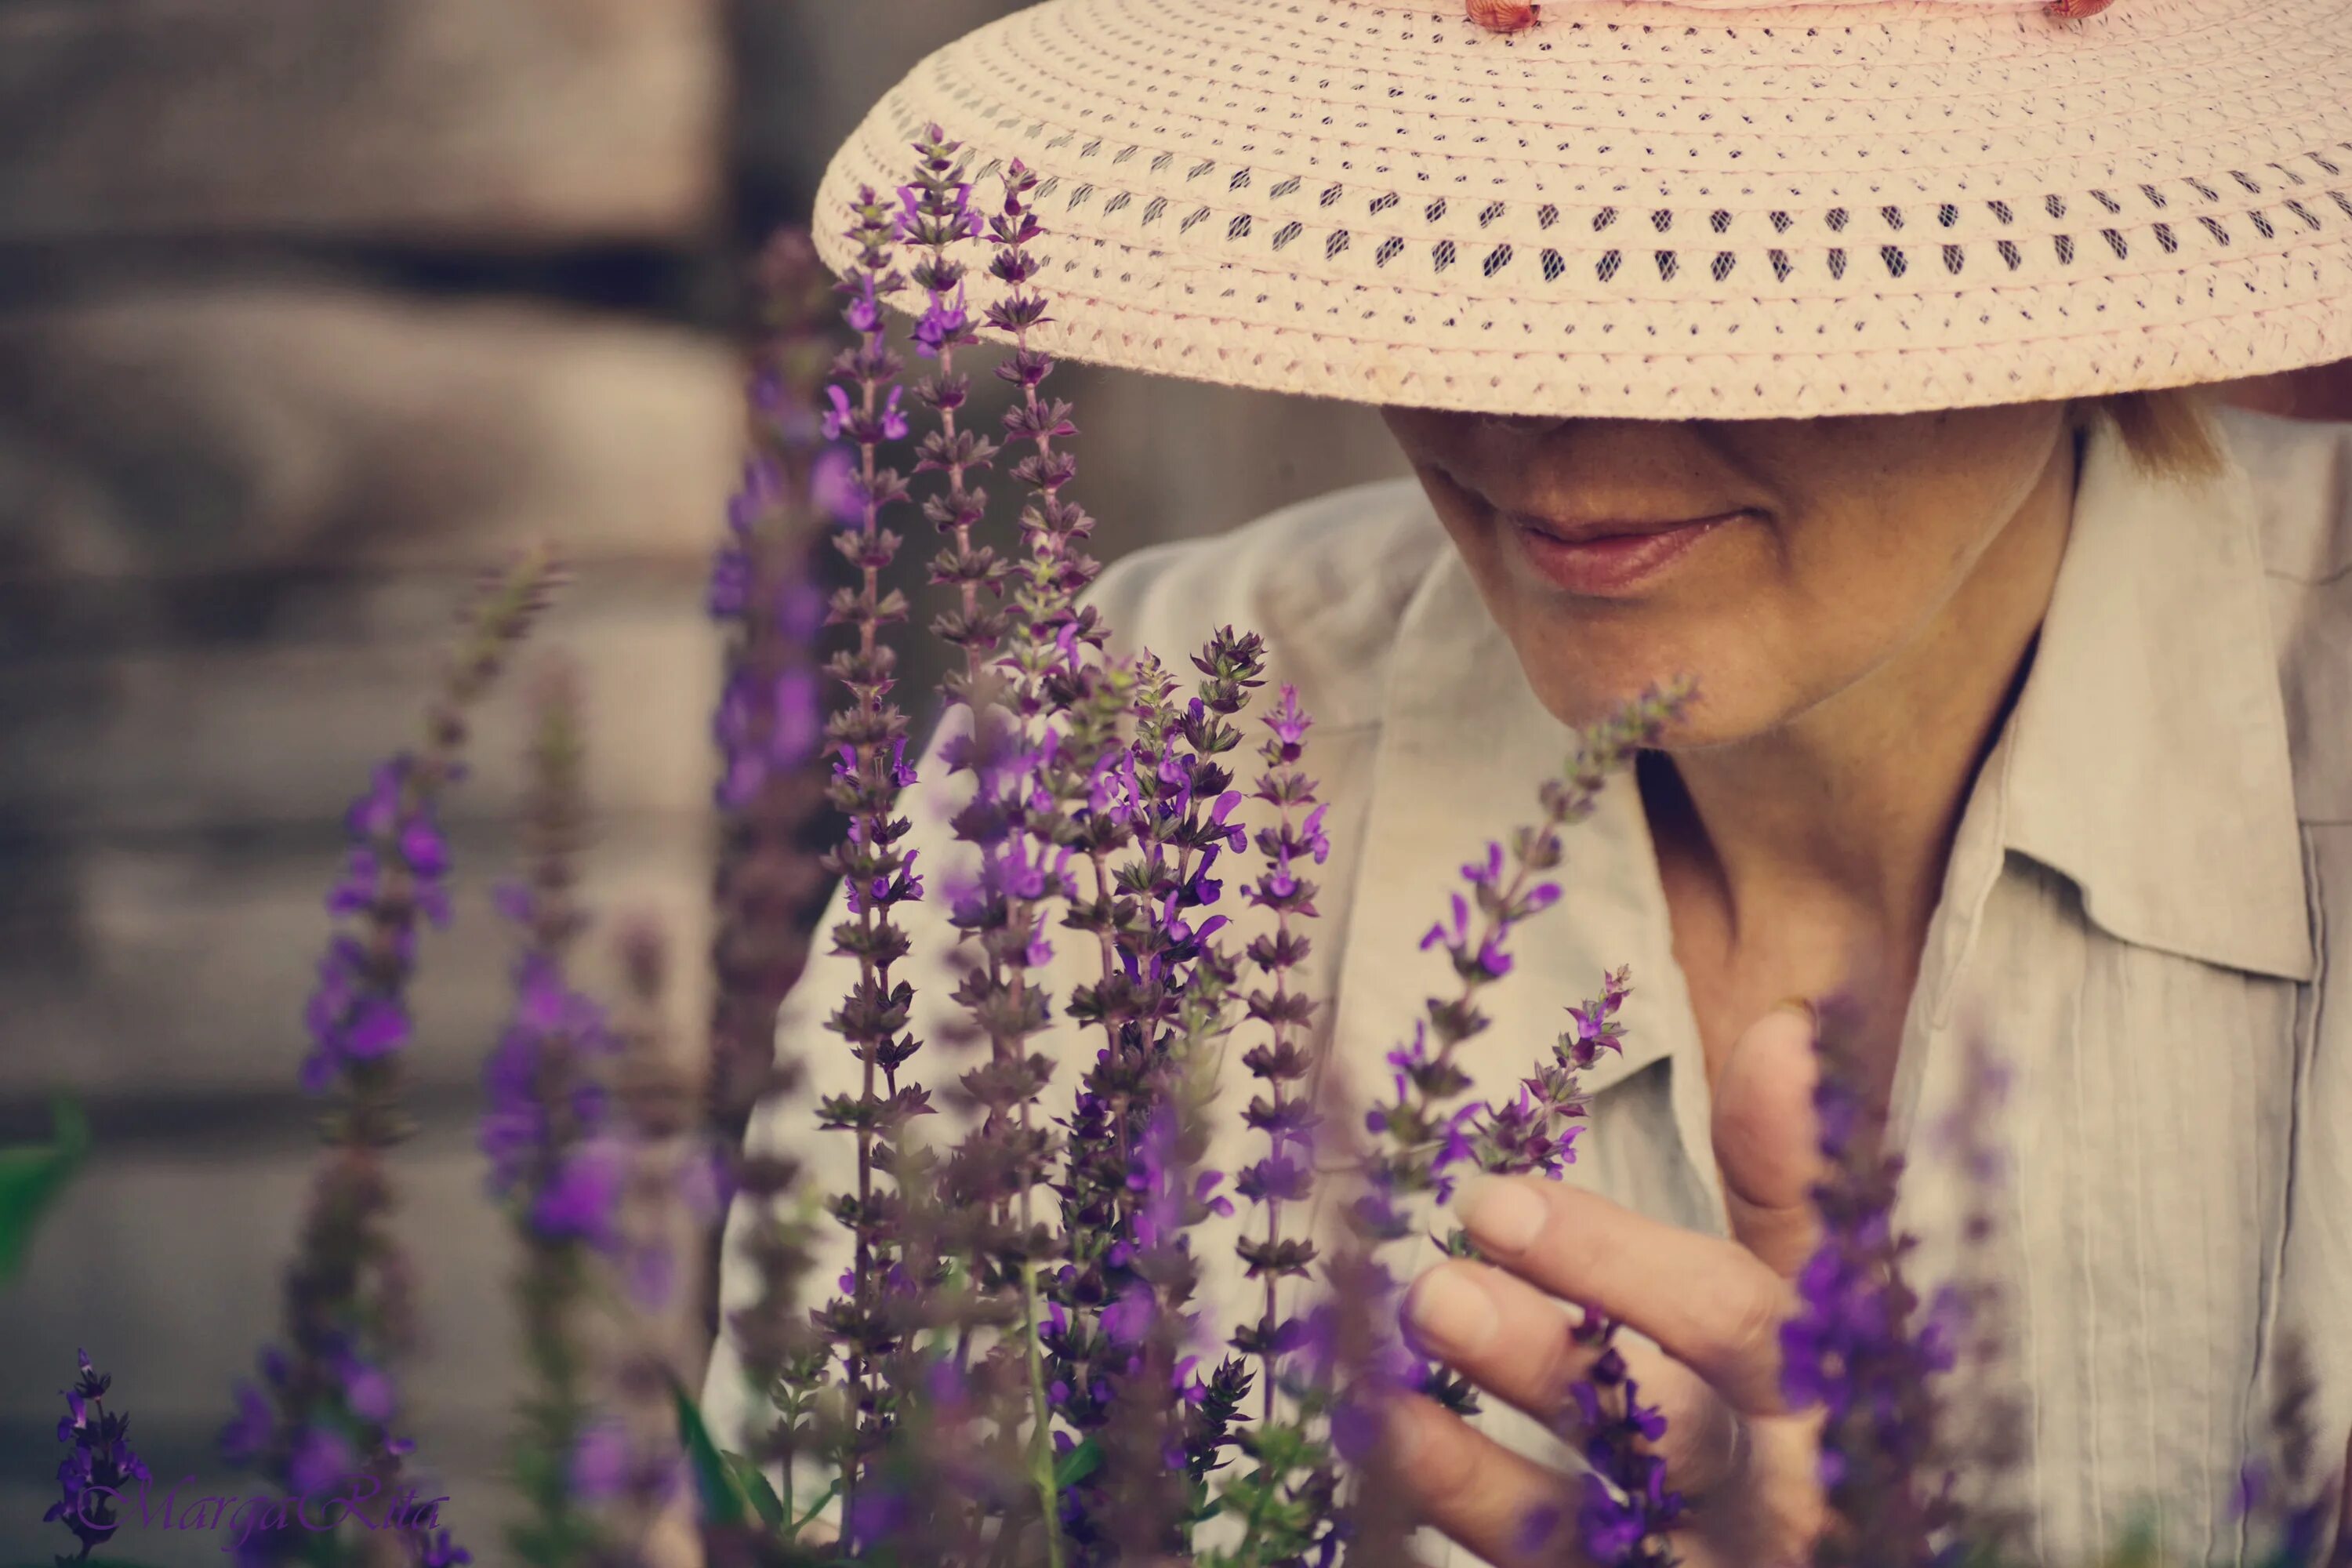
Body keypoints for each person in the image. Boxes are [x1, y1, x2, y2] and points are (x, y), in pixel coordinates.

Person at [709, 1, 2352, 1563]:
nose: (1547, 413)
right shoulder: (1123, 755)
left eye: (1751, 245)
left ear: (2074, 232)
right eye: (1463, 237)